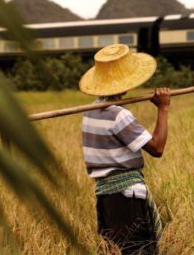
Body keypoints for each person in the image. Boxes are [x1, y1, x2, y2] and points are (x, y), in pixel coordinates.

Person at [79, 44, 170, 254]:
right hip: (126, 199)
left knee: (113, 250)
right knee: (137, 249)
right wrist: (163, 108)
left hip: (106, 199)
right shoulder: (118, 114)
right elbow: (157, 148)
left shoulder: (90, 112)